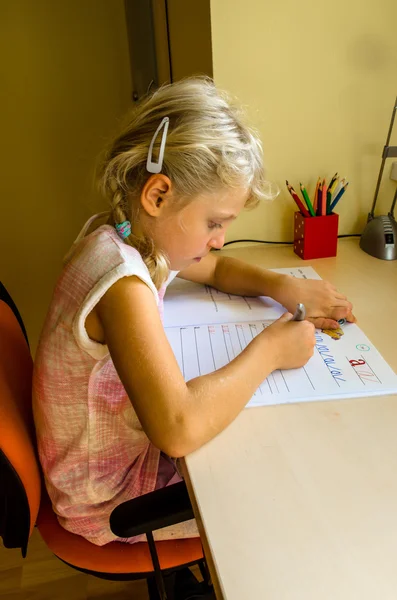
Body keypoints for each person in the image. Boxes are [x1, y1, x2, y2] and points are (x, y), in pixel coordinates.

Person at [33, 77, 355, 549]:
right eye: (215, 222)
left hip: (118, 464)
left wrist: (282, 285)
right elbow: (178, 430)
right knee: (300, 492)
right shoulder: (122, 283)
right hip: (110, 500)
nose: (220, 238)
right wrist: (269, 350)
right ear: (158, 195)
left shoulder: (122, 232)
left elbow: (215, 267)